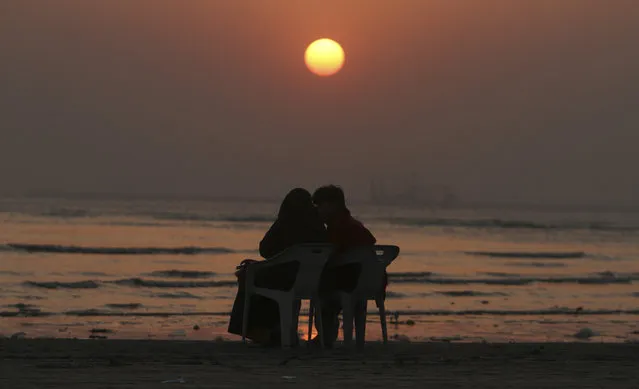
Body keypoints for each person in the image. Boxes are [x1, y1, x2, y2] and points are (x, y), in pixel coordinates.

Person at [227, 188, 327, 346]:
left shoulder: (285, 223)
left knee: (248, 275)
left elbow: (265, 248)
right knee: (258, 272)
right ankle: (273, 329)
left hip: (284, 279)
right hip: (312, 282)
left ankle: (256, 330)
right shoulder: (320, 227)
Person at [311, 185, 377, 347]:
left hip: (350, 282)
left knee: (319, 285)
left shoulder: (340, 228)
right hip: (371, 281)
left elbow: (329, 257)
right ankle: (327, 332)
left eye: (320, 206)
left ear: (333, 205)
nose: (318, 210)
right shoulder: (354, 225)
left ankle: (326, 334)